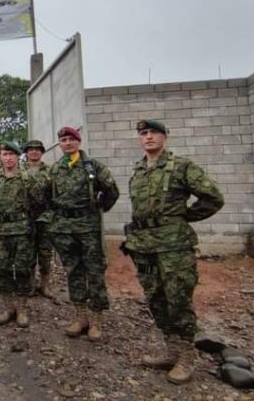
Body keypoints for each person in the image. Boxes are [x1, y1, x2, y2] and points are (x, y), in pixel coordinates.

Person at [126, 120, 224, 384]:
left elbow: (214, 197)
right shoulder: (138, 170)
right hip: (145, 247)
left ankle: (187, 356)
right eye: (143, 134)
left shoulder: (181, 167)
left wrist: (184, 218)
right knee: (155, 298)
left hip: (174, 247)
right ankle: (171, 350)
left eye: (153, 133)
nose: (148, 137)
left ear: (164, 137)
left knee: (178, 299)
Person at [41, 126, 119, 341]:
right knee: (73, 271)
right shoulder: (56, 169)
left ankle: (96, 321)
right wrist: (53, 220)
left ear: (79, 141)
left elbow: (112, 191)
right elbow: (46, 196)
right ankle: (80, 317)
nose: (67, 143)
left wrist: (96, 209)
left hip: (88, 227)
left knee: (94, 271)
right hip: (64, 229)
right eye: (63, 140)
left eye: (71, 139)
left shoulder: (92, 166)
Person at [0, 142, 47, 327]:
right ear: (0, 156)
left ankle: (21, 308)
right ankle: (8, 307)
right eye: (5, 154)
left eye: (12, 154)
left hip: (22, 231)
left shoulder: (27, 177)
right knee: (2, 270)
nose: (8, 158)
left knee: (22, 269)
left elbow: (39, 202)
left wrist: (26, 219)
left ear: (18, 157)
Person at [22, 139, 54, 298]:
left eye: (37, 149)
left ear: (42, 152)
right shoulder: (20, 170)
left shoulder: (51, 170)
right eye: (30, 149)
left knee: (45, 252)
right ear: (26, 153)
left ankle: (45, 284)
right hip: (26, 217)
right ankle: (30, 284)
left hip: (45, 217)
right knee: (28, 252)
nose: (34, 152)